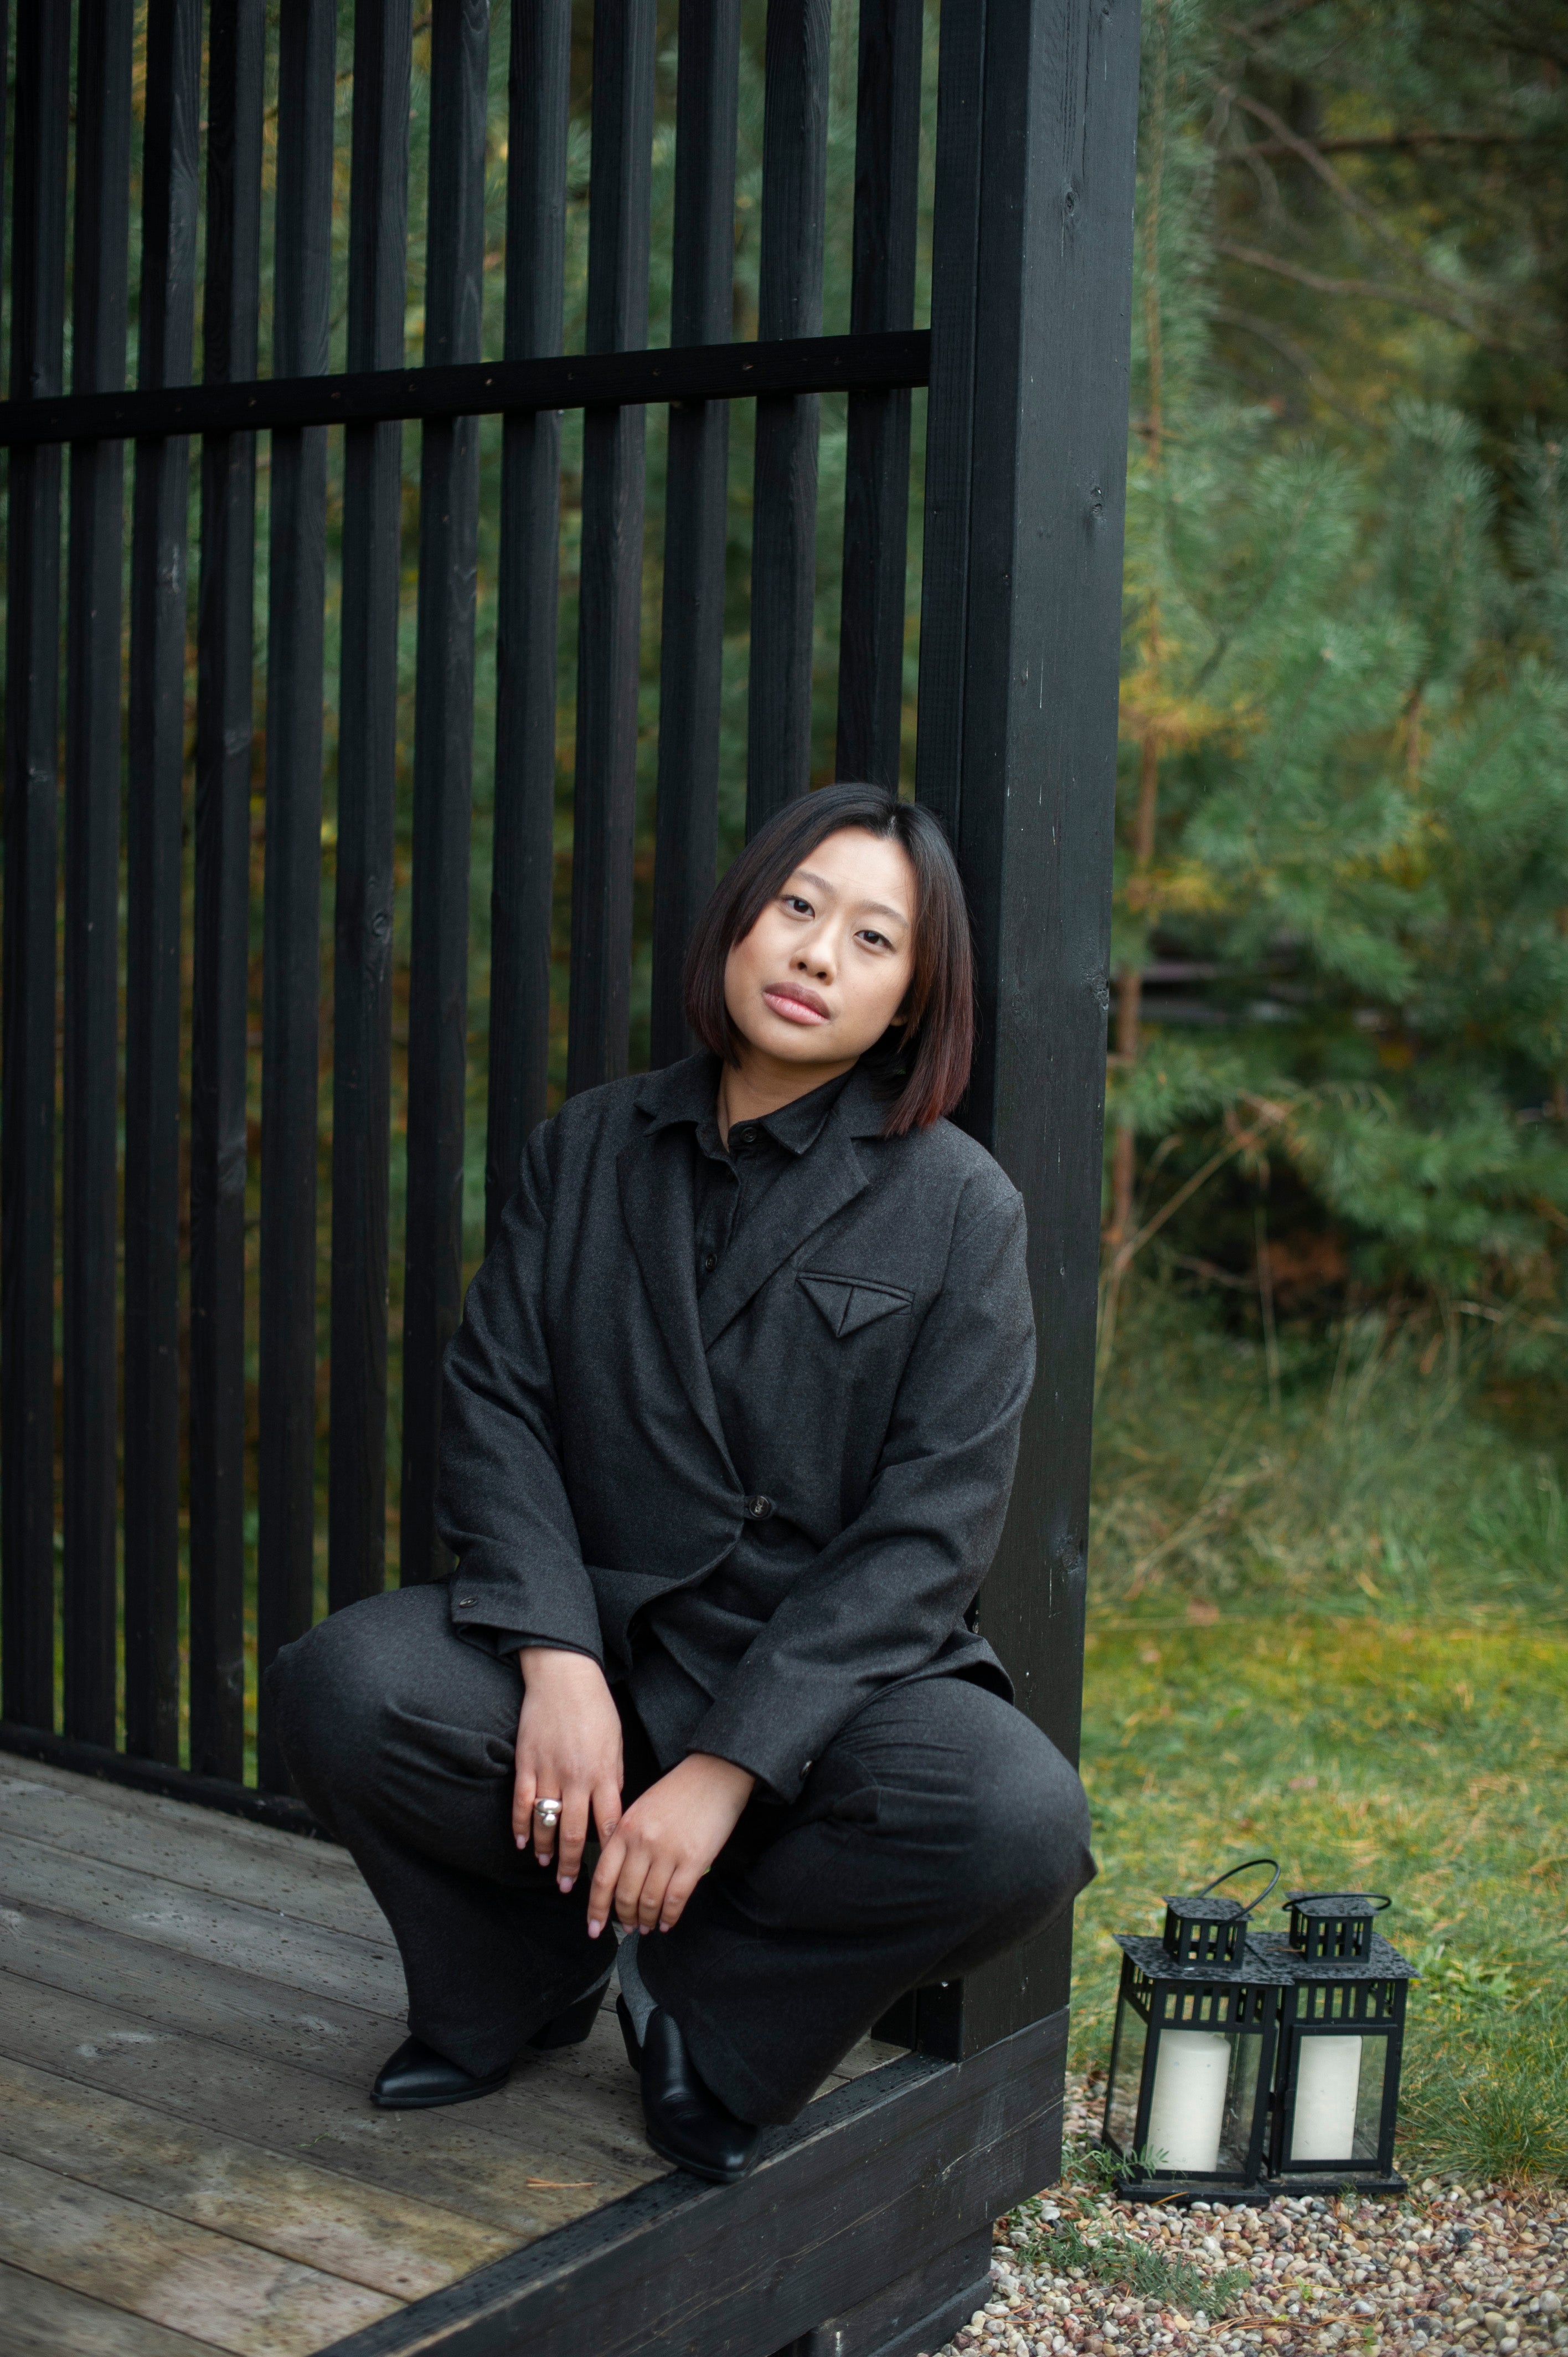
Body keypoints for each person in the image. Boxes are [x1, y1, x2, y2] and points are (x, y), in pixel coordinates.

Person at [270, 782, 1094, 2185]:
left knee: (1018, 1819)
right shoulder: (589, 1146)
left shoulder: (961, 1206)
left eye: (875, 940)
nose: (820, 954)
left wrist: (724, 1769)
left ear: (909, 1002)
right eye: (799, 907)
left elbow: (929, 1533)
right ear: (739, 923)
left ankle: (706, 2012)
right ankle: (527, 1981)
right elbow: (498, 1404)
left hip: (827, 1692)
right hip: (607, 1649)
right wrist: (557, 1658)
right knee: (343, 1683)